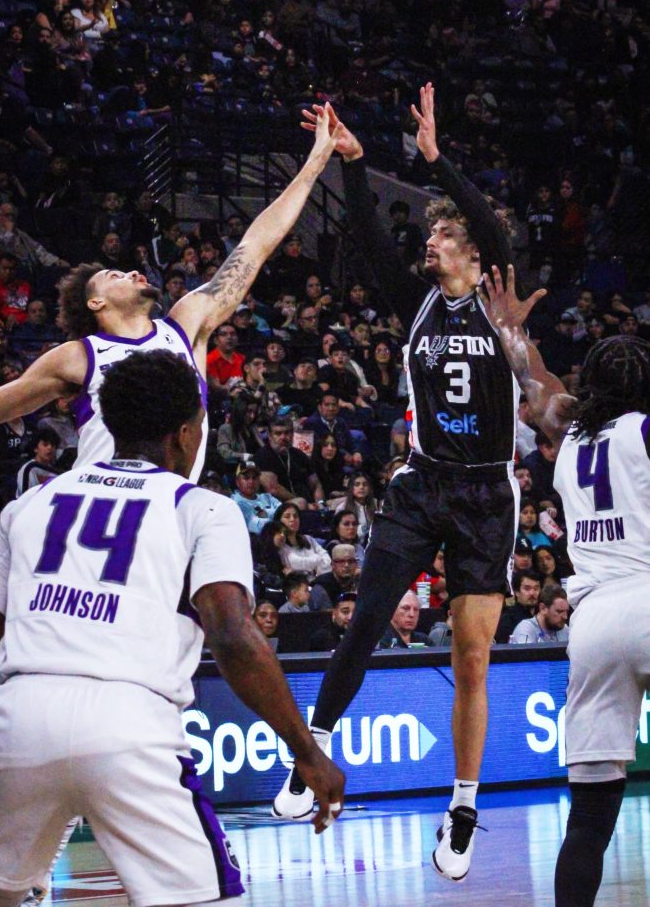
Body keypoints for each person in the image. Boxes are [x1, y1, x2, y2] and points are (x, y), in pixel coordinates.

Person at [272, 84, 522, 883]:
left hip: (486, 493)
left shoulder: (498, 303)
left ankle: (462, 807)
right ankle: (305, 759)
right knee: (365, 621)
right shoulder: (414, 303)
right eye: (433, 234)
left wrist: (437, 161)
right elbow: (370, 236)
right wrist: (352, 164)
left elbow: (485, 223)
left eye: (442, 236)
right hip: (422, 486)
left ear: (474, 258)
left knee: (472, 657)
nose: (431, 242)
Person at [0, 350, 345, 907]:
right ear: (187, 432)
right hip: (128, 724)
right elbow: (232, 636)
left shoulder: (28, 504)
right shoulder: (202, 508)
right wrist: (305, 749)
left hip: (17, 717)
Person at [0, 107, 342, 486]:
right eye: (116, 275)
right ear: (96, 303)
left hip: (166, 516)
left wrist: (316, 161)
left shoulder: (185, 325)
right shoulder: (79, 354)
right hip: (97, 511)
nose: (131, 271)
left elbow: (256, 245)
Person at [480, 262, 650, 907]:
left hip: (595, 622)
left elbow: (537, 380)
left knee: (589, 820)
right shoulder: (643, 430)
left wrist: (511, 333)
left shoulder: (570, 431)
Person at [256, 418, 325, 507]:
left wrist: (320, 504)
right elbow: (273, 489)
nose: (283, 437)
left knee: (341, 502)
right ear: (269, 435)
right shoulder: (262, 456)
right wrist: (305, 504)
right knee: (300, 502)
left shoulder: (299, 454)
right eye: (278, 433)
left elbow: (316, 484)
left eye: (287, 433)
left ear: (292, 434)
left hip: (308, 504)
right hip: (281, 506)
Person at [274, 503, 331, 581]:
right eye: (287, 516)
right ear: (279, 521)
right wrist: (318, 559)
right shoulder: (280, 544)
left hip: (319, 582)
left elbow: (328, 560)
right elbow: (297, 563)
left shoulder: (308, 539)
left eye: (295, 516)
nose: (292, 519)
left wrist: (316, 572)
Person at [231, 460, 282, 535]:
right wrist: (274, 515)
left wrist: (267, 513)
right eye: (246, 478)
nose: (251, 481)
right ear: (238, 482)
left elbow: (285, 513)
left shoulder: (267, 497)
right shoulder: (234, 502)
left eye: (254, 478)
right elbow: (256, 527)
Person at [494, 569, 541, 643]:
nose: (532, 593)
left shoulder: (543, 614)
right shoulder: (507, 619)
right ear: (517, 592)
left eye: (536, 588)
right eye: (527, 589)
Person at [309, 544, 359, 611]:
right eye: (341, 561)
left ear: (356, 564)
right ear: (332, 564)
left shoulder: (361, 583)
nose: (346, 565)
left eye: (351, 561)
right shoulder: (321, 587)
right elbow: (324, 617)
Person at [15, 426, 60, 496]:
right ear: (35, 448)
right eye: (45, 444)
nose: (50, 448)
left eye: (53, 445)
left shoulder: (55, 472)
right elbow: (27, 496)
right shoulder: (28, 469)